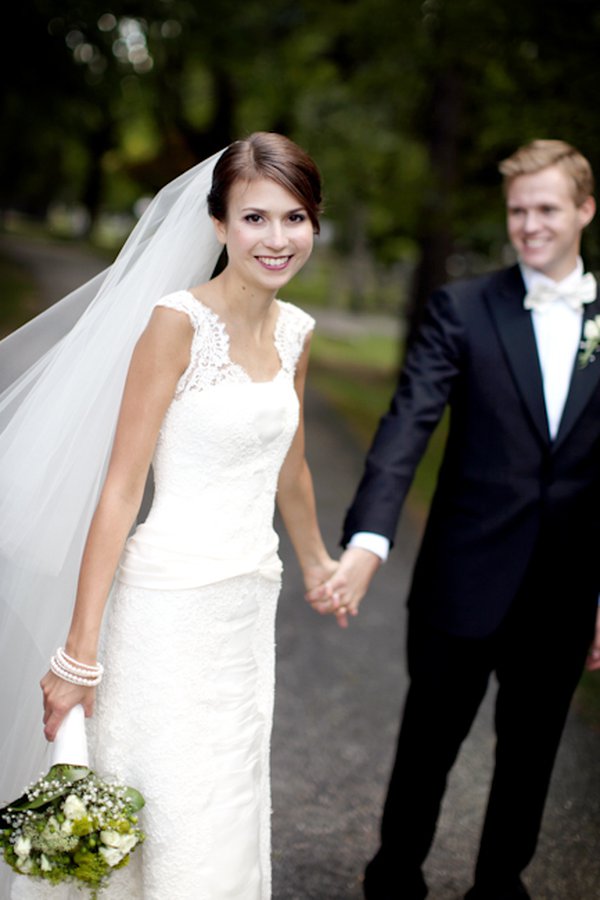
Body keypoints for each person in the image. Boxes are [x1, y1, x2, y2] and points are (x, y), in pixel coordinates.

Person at [0, 132, 336, 899]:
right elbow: (120, 488)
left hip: (246, 612)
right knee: (165, 817)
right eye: (255, 219)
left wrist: (317, 562)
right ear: (218, 226)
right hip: (164, 615)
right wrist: (79, 653)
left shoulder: (298, 334)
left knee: (226, 806)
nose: (276, 239)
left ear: (315, 223)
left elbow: (291, 464)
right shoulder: (174, 322)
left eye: (294, 218)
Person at [308, 139, 600, 899]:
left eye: (546, 209)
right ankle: (394, 875)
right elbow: (406, 426)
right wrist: (370, 537)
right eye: (517, 211)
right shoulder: (462, 308)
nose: (529, 225)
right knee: (427, 747)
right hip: (461, 579)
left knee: (531, 755)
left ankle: (499, 884)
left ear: (584, 211)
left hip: (566, 590)